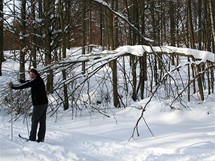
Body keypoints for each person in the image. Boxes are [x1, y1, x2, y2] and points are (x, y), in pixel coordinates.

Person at [9, 68, 48, 142]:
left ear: (36, 74)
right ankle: (41, 138)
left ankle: (32, 138)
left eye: (32, 74)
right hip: (44, 103)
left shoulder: (36, 81)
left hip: (39, 104)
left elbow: (27, 85)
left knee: (35, 120)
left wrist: (14, 87)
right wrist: (23, 81)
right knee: (42, 121)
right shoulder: (38, 80)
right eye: (30, 74)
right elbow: (29, 82)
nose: (31, 75)